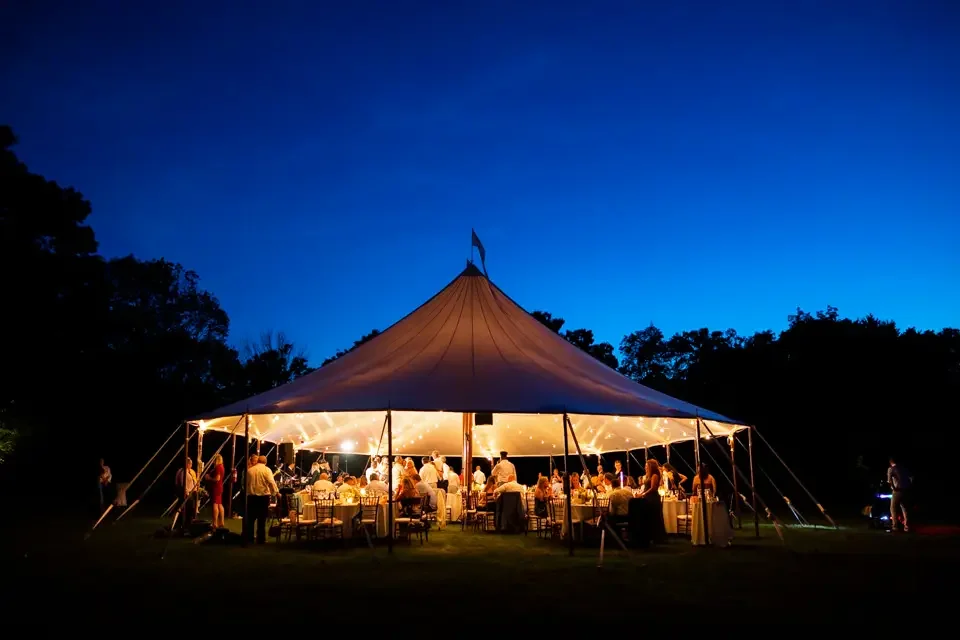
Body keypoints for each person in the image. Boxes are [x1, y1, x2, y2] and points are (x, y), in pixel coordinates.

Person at [245, 455, 279, 544]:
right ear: (265, 462)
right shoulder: (266, 470)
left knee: (251, 519)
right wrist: (276, 493)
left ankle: (250, 538)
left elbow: (246, 484)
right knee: (262, 519)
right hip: (263, 497)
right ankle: (261, 539)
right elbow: (271, 482)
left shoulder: (250, 470)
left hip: (251, 497)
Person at [888, 457, 912, 532]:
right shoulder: (904, 468)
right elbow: (911, 478)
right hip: (905, 490)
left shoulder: (891, 469)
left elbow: (890, 481)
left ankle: (895, 526)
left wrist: (893, 488)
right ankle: (907, 527)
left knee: (893, 508)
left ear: (891, 462)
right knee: (905, 509)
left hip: (897, 491)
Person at [175, 458, 198, 530]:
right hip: (186, 493)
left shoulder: (189, 471)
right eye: (190, 464)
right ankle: (184, 524)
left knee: (190, 509)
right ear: (187, 464)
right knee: (187, 510)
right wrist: (186, 492)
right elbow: (182, 484)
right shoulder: (182, 472)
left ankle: (186, 524)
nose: (191, 465)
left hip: (190, 492)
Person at [206, 453, 226, 529]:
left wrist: (209, 478)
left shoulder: (218, 467)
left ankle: (215, 523)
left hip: (216, 488)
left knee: (215, 504)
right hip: (220, 487)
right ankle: (222, 522)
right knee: (220, 504)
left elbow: (217, 478)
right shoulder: (222, 467)